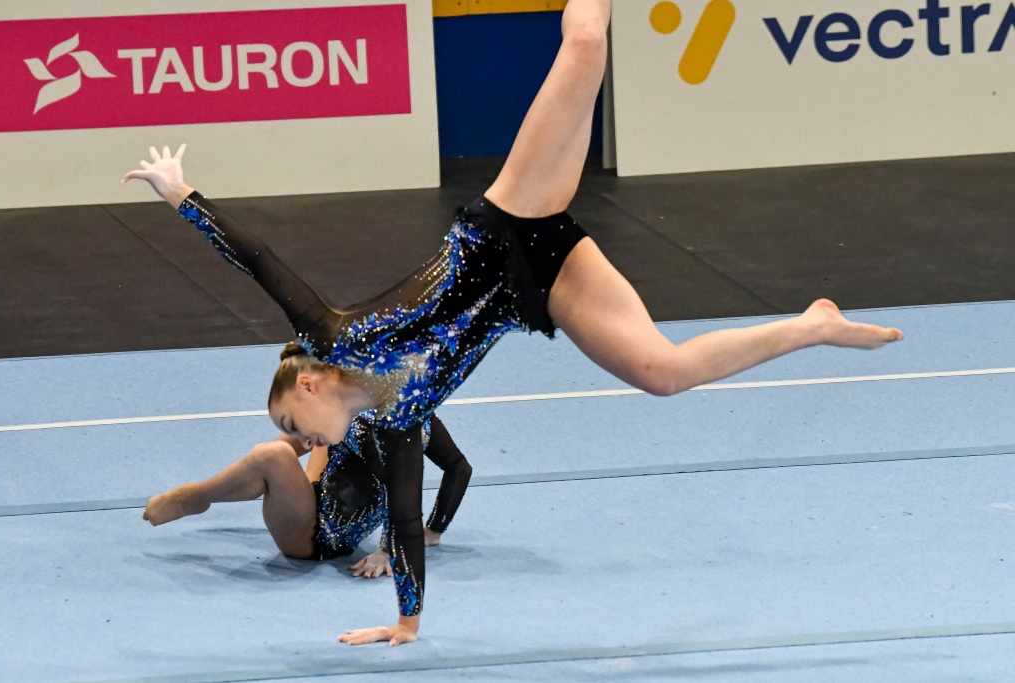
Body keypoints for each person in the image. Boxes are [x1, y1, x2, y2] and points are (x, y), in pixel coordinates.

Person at [124, 0, 902, 646]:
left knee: (586, 42)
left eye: (297, 424)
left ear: (313, 383)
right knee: (663, 374)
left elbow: (259, 260)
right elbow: (405, 521)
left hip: (507, 223)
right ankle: (812, 325)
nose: (306, 442)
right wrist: (407, 619)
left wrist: (181, 195)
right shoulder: (395, 423)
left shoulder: (333, 333)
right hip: (541, 289)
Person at [142, 350, 473, 578]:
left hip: (315, 539)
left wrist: (388, 550)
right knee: (283, 450)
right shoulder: (380, 417)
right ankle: (215, 491)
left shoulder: (393, 425)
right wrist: (434, 531)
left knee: (273, 455)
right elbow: (458, 470)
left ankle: (201, 494)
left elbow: (412, 484)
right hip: (315, 501)